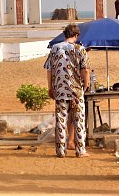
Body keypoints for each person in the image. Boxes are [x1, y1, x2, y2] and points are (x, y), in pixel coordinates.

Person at [44, 23, 90, 158]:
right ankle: (80, 150)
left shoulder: (55, 48)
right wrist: (86, 84)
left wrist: (50, 87)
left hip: (60, 90)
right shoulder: (80, 49)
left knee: (61, 120)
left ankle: (60, 151)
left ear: (65, 35)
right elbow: (85, 69)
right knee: (78, 120)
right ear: (76, 35)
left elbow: (49, 69)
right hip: (76, 90)